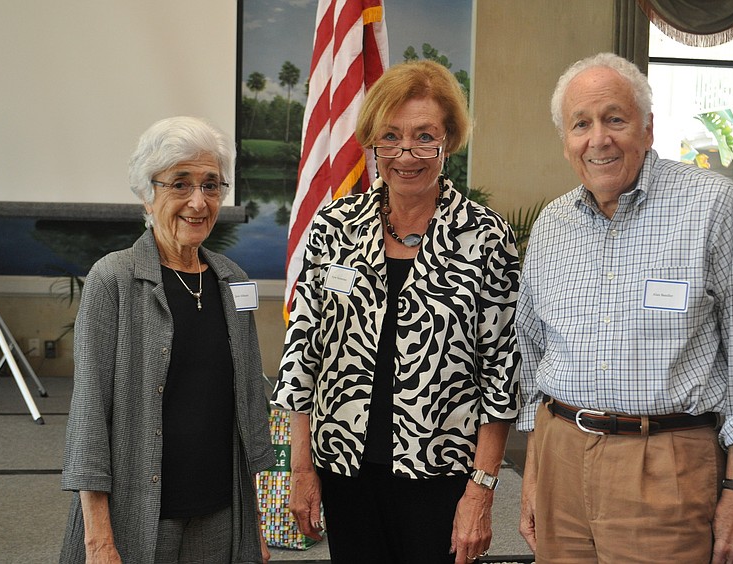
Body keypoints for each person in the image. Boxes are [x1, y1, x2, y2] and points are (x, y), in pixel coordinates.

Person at [516, 53, 733, 564]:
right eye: (581, 124)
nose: (598, 139)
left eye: (615, 118)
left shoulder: (712, 206)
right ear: (565, 140)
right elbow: (530, 350)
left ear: (648, 127)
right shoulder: (550, 225)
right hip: (559, 455)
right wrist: (534, 471)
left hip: (666, 464)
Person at [271, 60, 521, 564]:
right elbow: (302, 353)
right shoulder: (336, 225)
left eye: (424, 137)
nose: (406, 155)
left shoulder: (485, 236)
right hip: (344, 469)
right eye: (390, 137)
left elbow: (502, 370)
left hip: (443, 477)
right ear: (372, 143)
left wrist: (482, 487)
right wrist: (300, 469)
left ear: (448, 141)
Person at [60, 116, 275, 563]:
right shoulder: (113, 278)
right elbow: (88, 413)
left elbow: (247, 402)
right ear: (147, 191)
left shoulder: (231, 279)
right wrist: (99, 539)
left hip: (220, 513)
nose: (199, 202)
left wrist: (253, 523)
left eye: (211, 185)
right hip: (136, 515)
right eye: (180, 184)